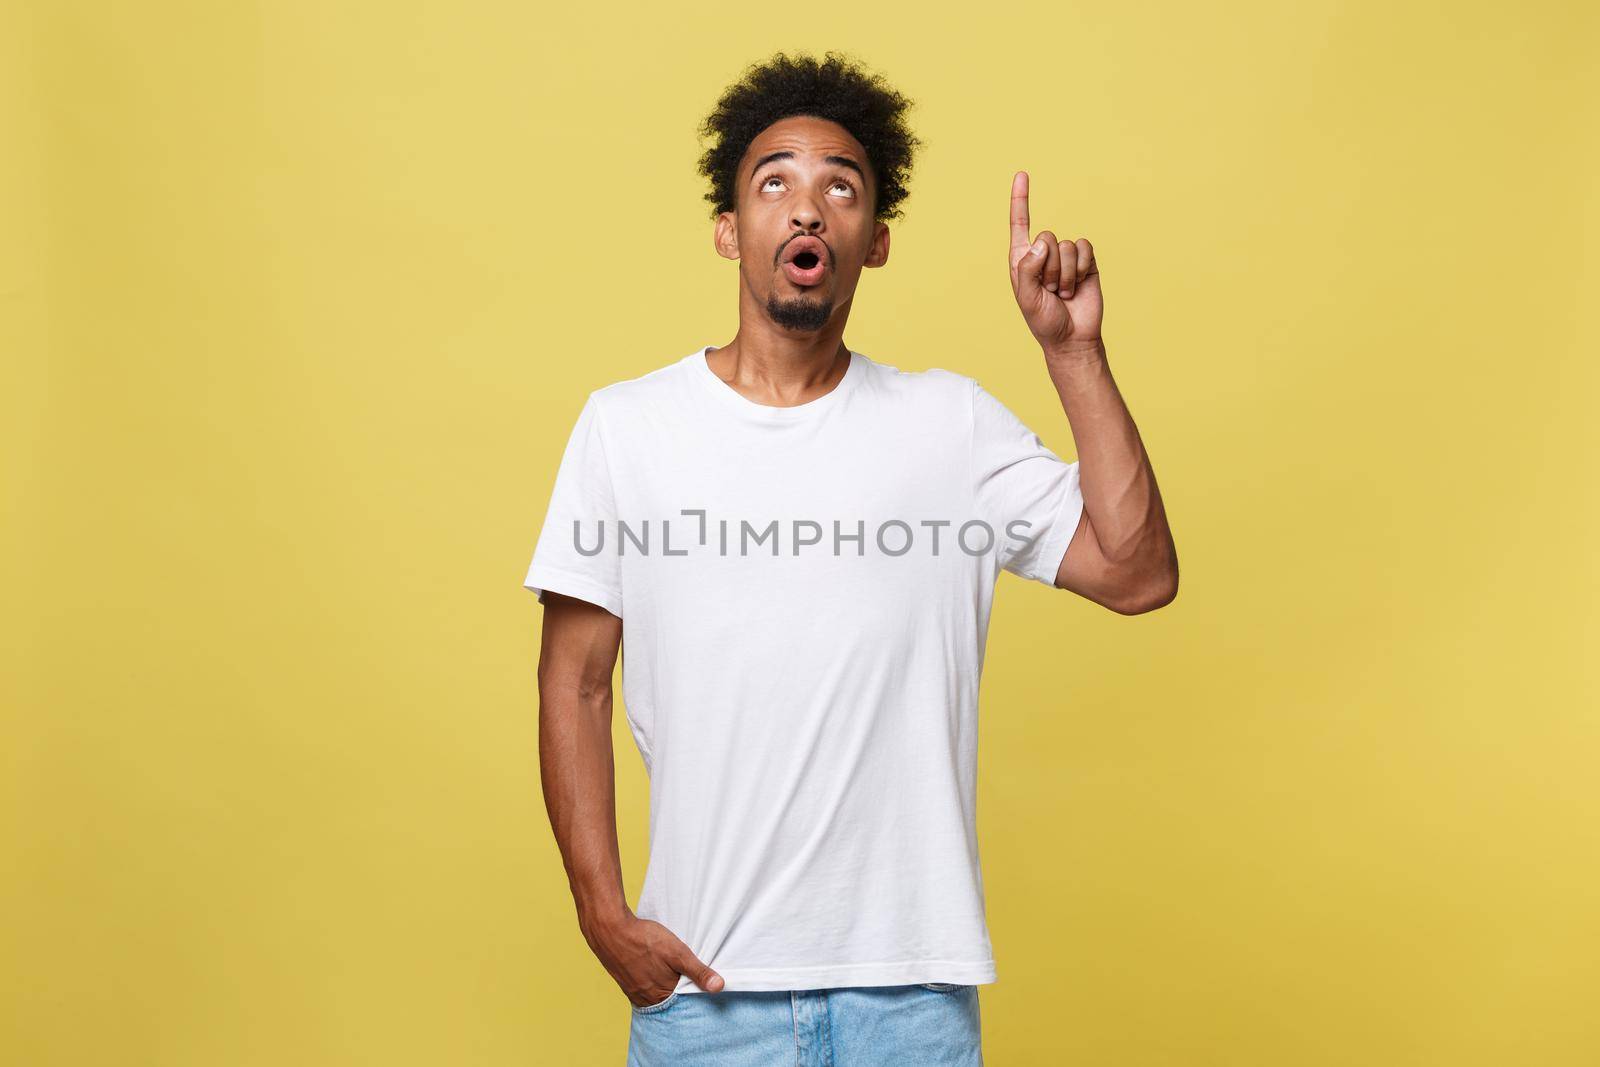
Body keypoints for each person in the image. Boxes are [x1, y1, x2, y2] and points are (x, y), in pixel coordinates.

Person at [524, 50, 1178, 1066]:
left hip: (909, 1000)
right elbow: (573, 681)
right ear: (727, 229)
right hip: (705, 995)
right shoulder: (626, 428)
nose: (805, 207)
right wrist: (602, 914)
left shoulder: (949, 425)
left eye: (840, 185)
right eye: (772, 180)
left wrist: (1072, 354)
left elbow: (1136, 573)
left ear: (873, 241)